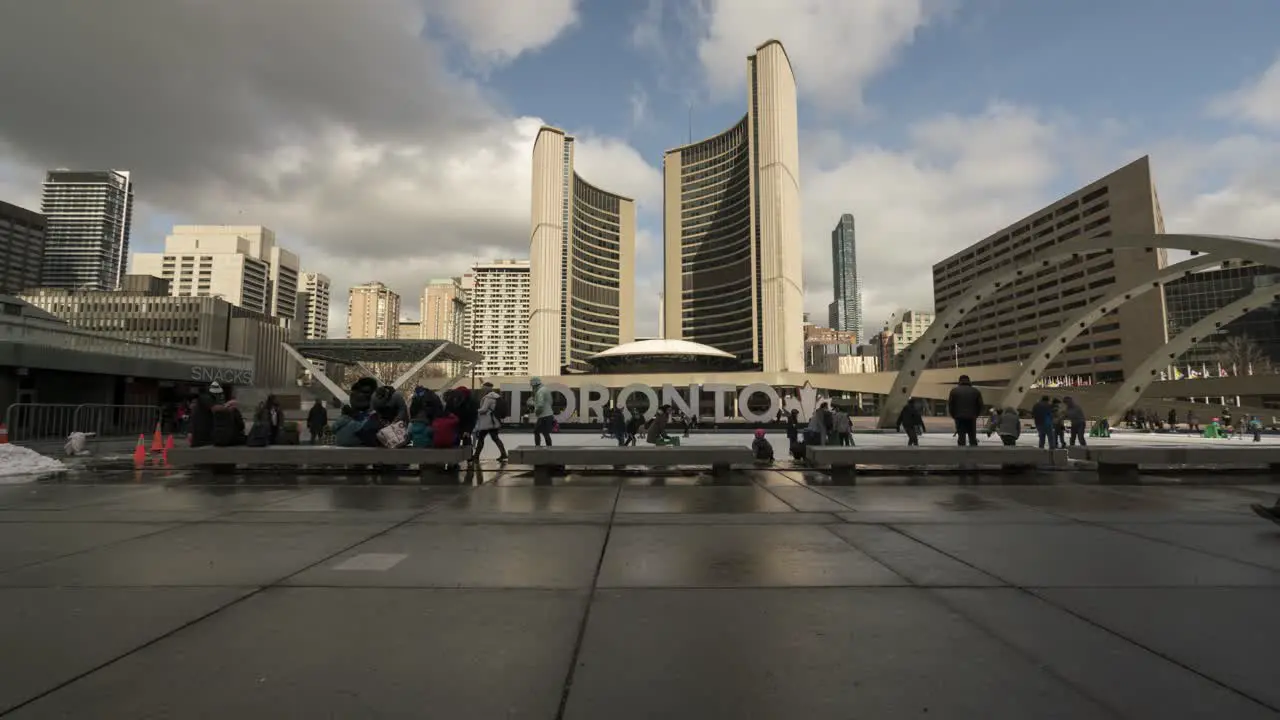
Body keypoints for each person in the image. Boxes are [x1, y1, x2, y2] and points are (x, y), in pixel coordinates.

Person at [473, 382, 509, 462]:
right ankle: (503, 454)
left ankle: (476, 456)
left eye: (484, 387)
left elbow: (484, 409)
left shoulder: (488, 398)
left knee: (481, 438)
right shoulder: (496, 396)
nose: (483, 389)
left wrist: (474, 411)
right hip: (493, 421)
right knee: (495, 438)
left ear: (487, 388)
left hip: (488, 422)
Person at [947, 374, 984, 447]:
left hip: (959, 417)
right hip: (971, 416)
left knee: (961, 437)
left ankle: (961, 454)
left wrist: (954, 415)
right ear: (969, 381)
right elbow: (980, 405)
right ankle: (974, 454)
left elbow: (951, 405)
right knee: (972, 437)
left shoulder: (954, 391)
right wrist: (976, 415)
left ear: (959, 381)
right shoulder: (975, 391)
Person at [529, 377, 554, 447]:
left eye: (532, 385)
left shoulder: (540, 391)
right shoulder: (546, 389)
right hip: (548, 415)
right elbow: (551, 402)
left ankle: (538, 448)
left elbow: (540, 405)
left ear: (535, 384)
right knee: (545, 433)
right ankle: (549, 449)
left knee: (537, 432)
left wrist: (536, 411)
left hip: (543, 416)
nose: (532, 387)